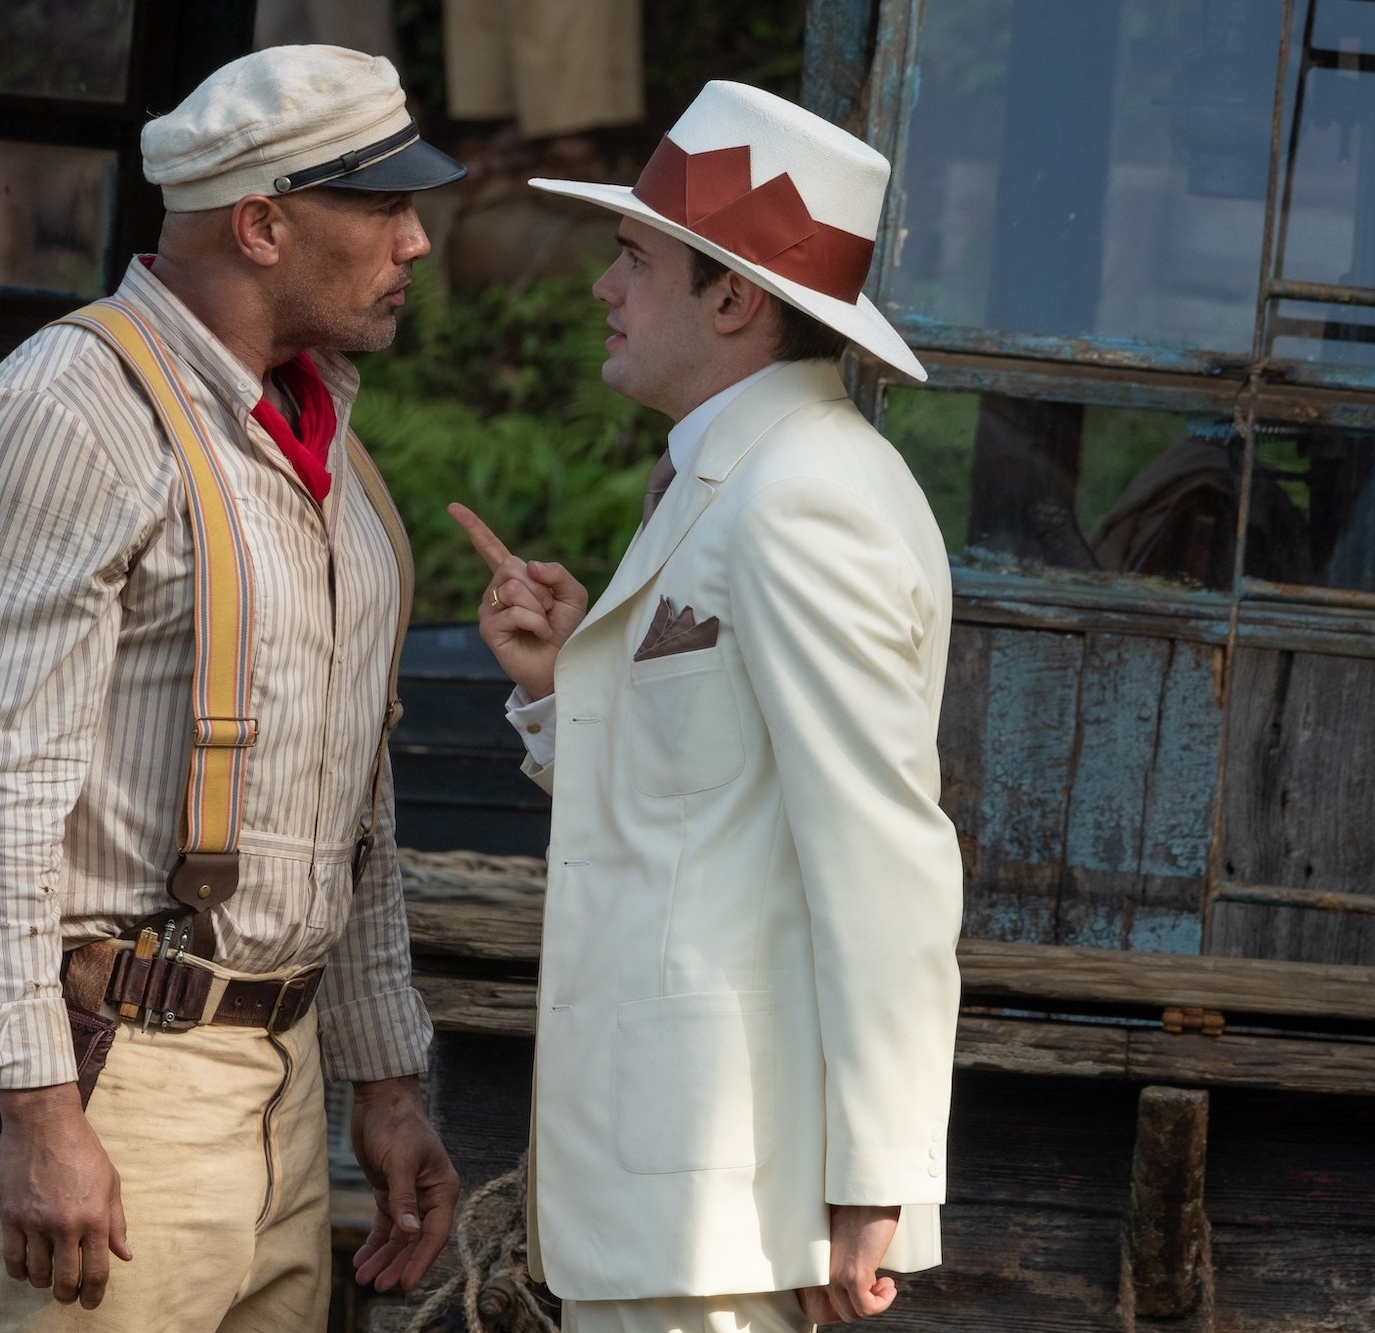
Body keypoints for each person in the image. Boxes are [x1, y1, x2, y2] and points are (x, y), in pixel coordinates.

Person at [0, 46, 463, 1331]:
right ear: (260, 223)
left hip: (278, 1096)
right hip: (103, 1092)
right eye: (381, 208)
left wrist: (381, 1076)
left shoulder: (315, 434)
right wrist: (36, 1113)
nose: (416, 242)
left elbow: (344, 800)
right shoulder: (68, 412)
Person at [450, 80, 964, 1331]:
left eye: (632, 255)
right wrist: (560, 684)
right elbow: (702, 805)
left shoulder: (801, 496)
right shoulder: (732, 475)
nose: (599, 287)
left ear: (732, 298)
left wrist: (874, 1182)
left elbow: (882, 853)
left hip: (725, 1203)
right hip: (672, 1199)